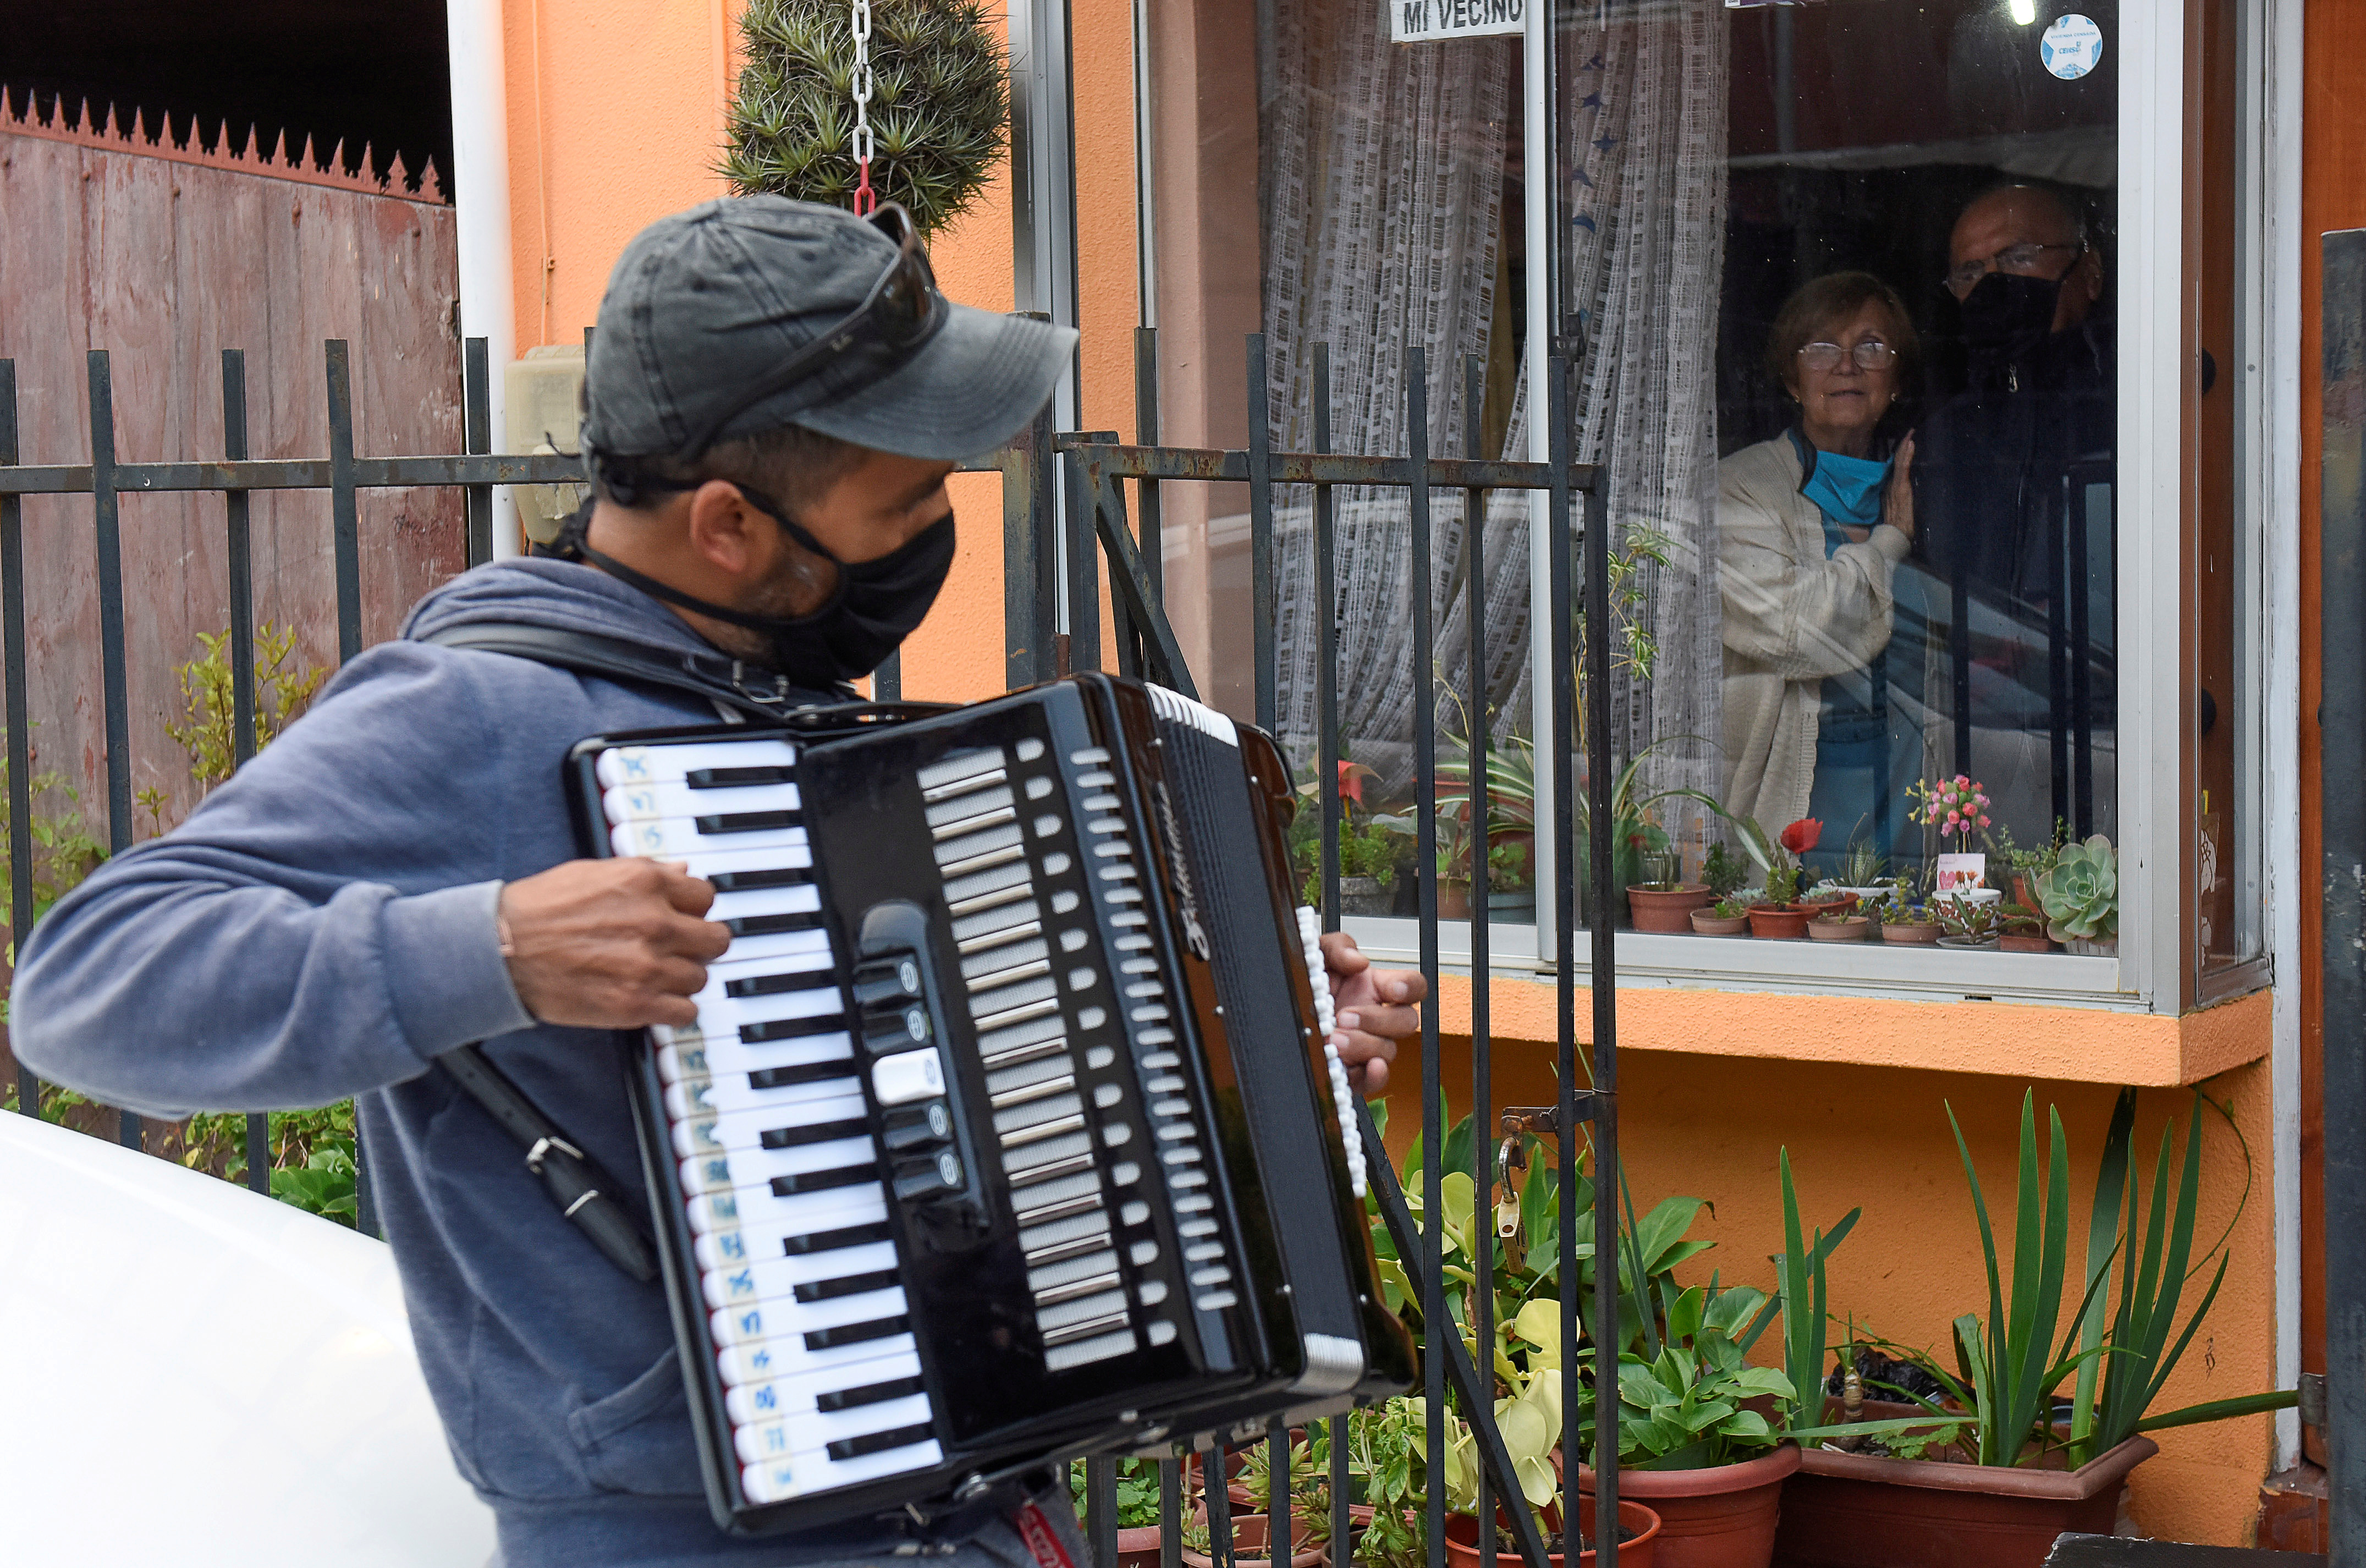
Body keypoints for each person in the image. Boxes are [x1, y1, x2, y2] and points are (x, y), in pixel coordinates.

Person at [9, 197, 1428, 1568]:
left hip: (968, 1506)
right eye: (909, 495)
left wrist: (1259, 1057)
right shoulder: (468, 717)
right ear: (732, 527)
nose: (940, 521)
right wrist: (489, 948)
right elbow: (84, 989)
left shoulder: (763, 704)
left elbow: (969, 1099)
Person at [1908, 179, 2112, 821]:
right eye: (1971, 271)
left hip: (2125, 726)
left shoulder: (2143, 406)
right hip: (1977, 732)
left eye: (2019, 256)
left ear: (2090, 271)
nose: (1995, 284)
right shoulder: (1945, 434)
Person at [1716, 271, 1919, 850]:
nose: (1847, 365)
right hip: (1797, 785)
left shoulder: (1919, 482)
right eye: (1821, 348)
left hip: (1904, 782)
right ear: (1792, 378)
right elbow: (1794, 629)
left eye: (1871, 346)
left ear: (1896, 380)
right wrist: (1887, 545)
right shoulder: (1741, 488)